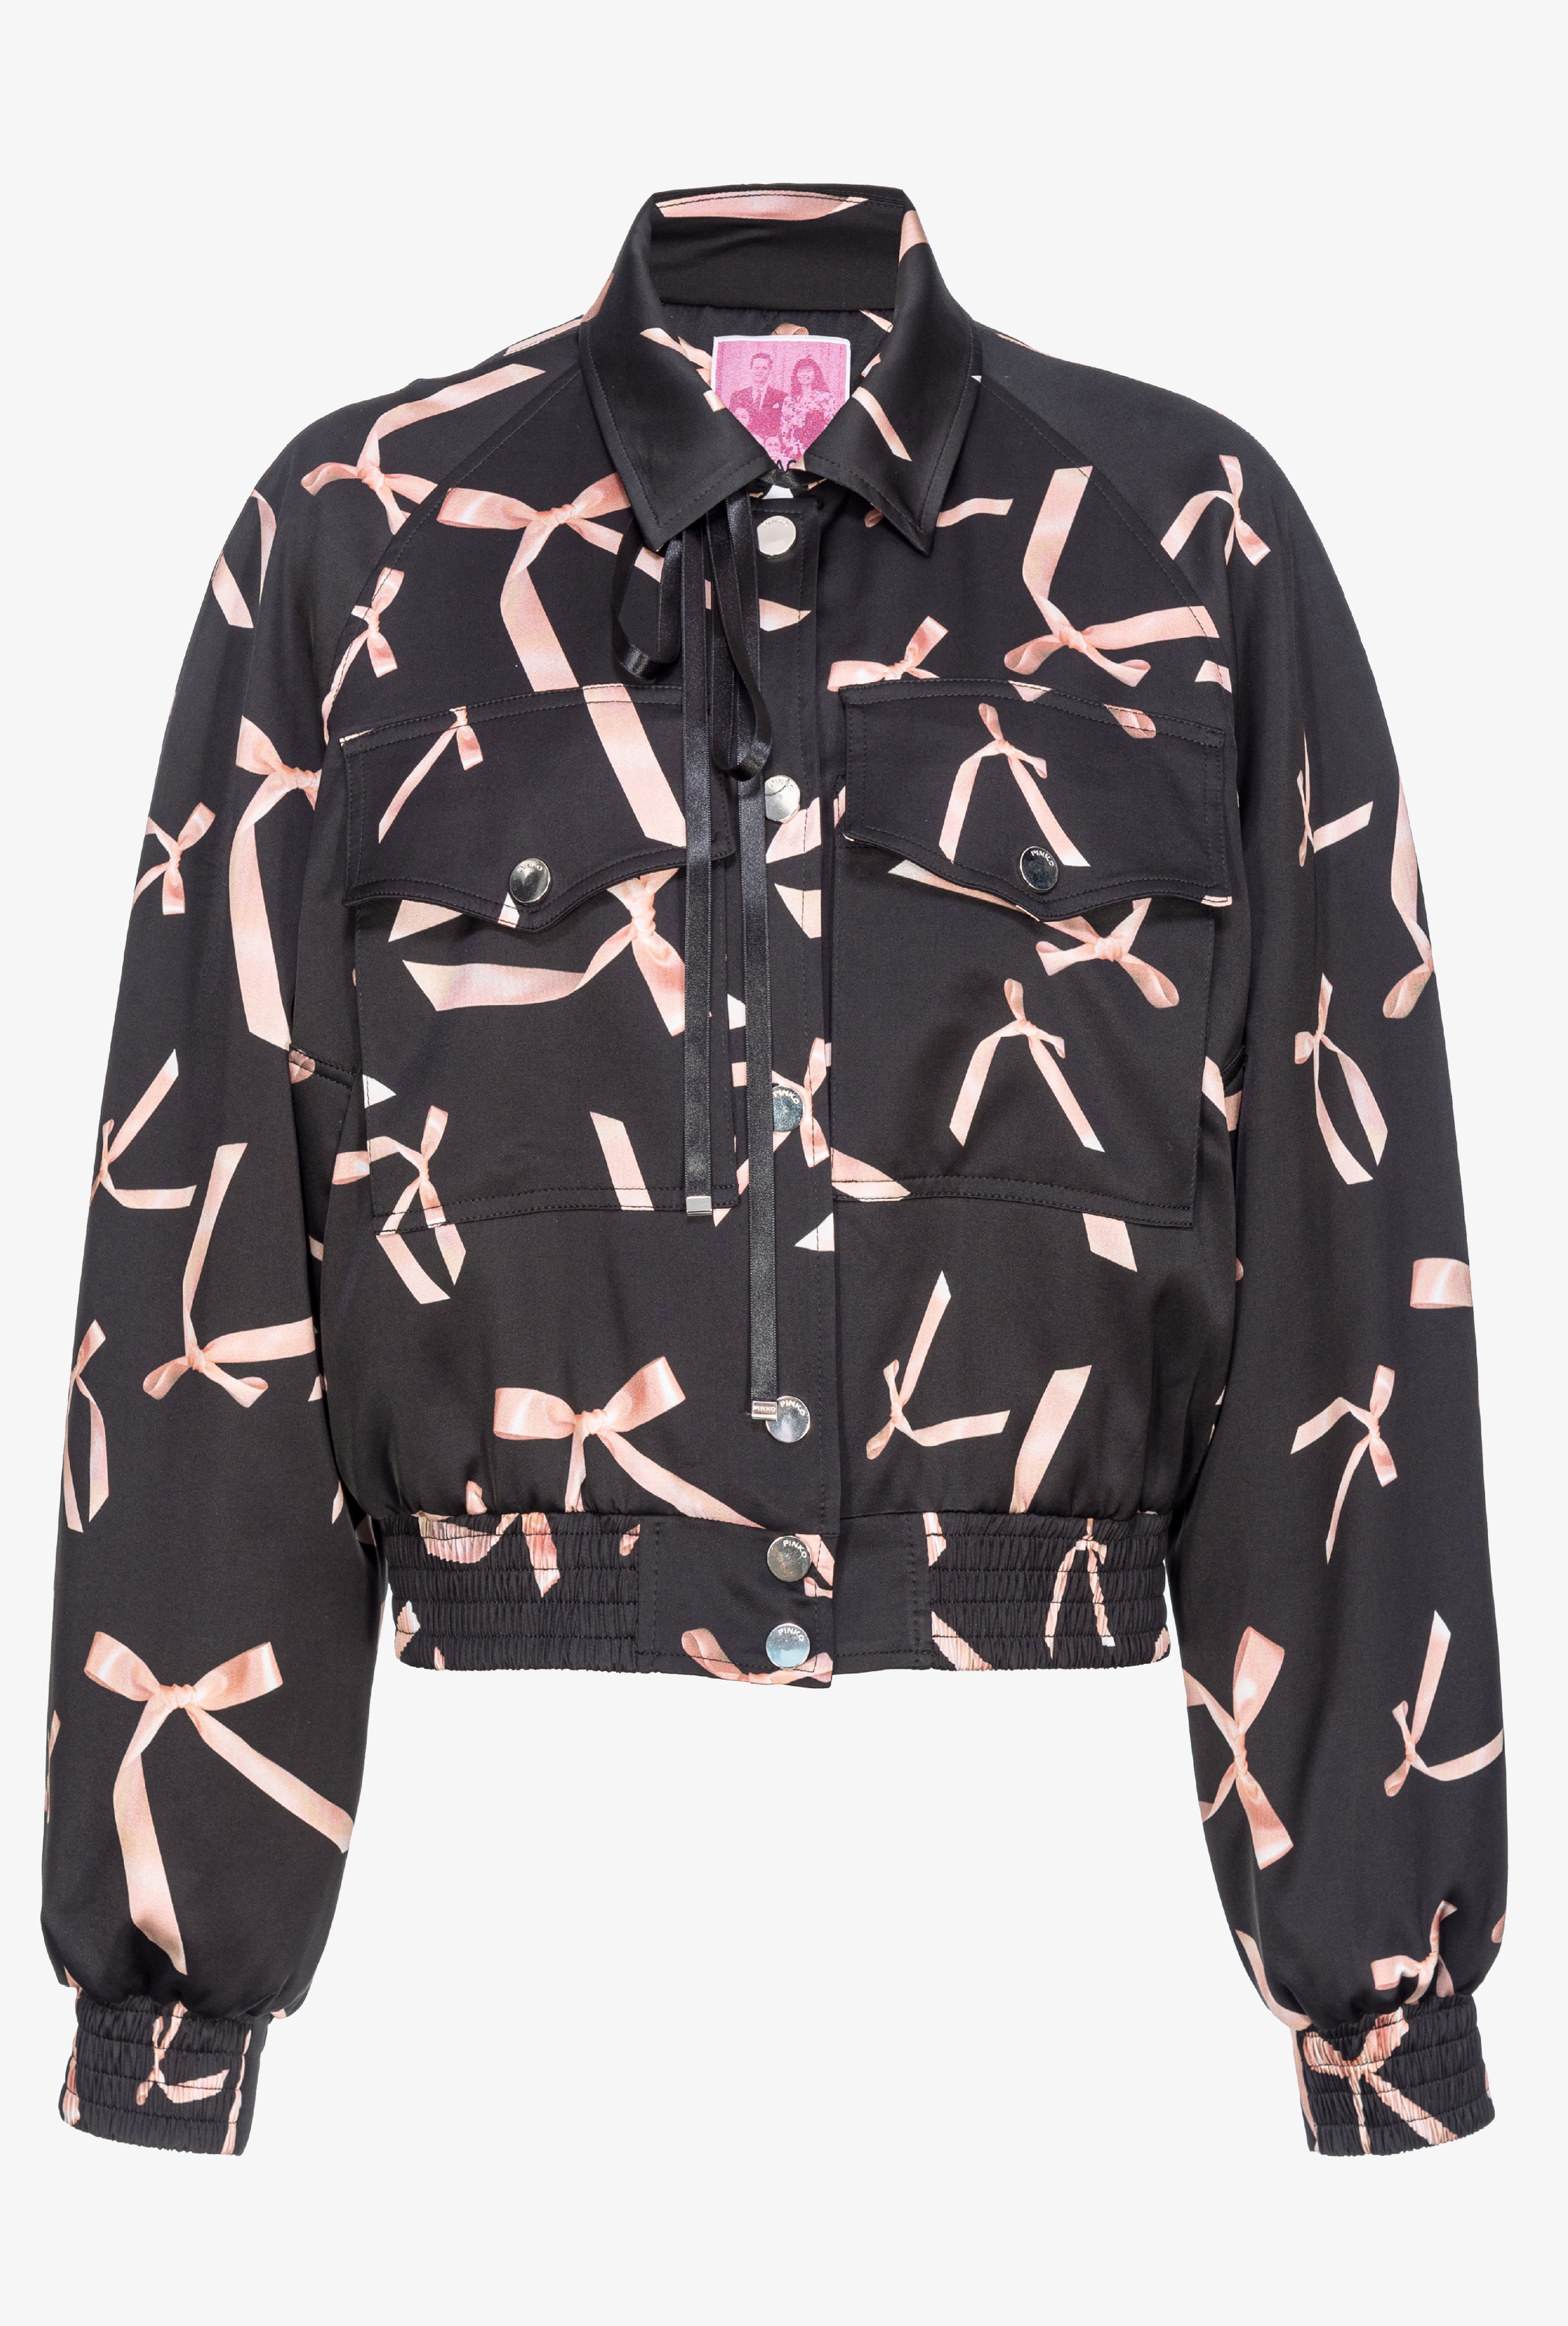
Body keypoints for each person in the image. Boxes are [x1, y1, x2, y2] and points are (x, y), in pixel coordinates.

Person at [778, 354, 836, 465]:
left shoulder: (825, 398)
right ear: (796, 375)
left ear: (816, 374)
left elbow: (831, 425)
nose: (804, 375)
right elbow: (784, 427)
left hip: (817, 450)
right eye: (801, 372)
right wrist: (792, 447)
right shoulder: (789, 400)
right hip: (792, 451)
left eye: (808, 371)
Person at [727, 349, 785, 452]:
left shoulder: (781, 396)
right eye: (757, 368)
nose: (760, 372)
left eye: (764, 368)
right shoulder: (737, 396)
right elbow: (732, 425)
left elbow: (783, 427)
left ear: (770, 371)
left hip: (770, 449)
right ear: (751, 369)